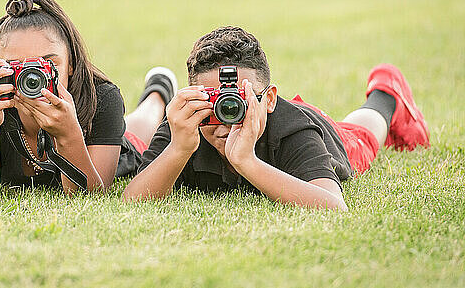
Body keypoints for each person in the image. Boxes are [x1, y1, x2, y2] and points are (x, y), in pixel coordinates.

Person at [123, 26, 430, 210]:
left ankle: (387, 90)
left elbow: (333, 206)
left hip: (328, 134)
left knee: (362, 136)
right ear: (192, 96)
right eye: (215, 102)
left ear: (268, 99)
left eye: (239, 101)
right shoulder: (187, 125)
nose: (226, 117)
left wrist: (246, 160)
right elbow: (133, 201)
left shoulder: (293, 129)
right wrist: (179, 148)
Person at [0, 0, 178, 199]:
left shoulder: (101, 99)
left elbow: (89, 196)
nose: (32, 76)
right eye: (17, 66)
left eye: (47, 63)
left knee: (143, 123)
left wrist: (69, 135)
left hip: (104, 147)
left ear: (71, 65)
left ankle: (158, 91)